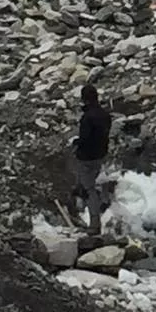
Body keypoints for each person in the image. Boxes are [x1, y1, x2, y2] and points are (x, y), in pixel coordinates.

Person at [70, 82, 113, 237]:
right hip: (101, 155)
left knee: (89, 189)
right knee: (92, 183)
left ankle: (95, 223)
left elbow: (85, 139)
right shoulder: (105, 115)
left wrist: (76, 144)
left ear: (84, 99)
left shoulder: (87, 118)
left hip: (86, 158)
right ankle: (102, 199)